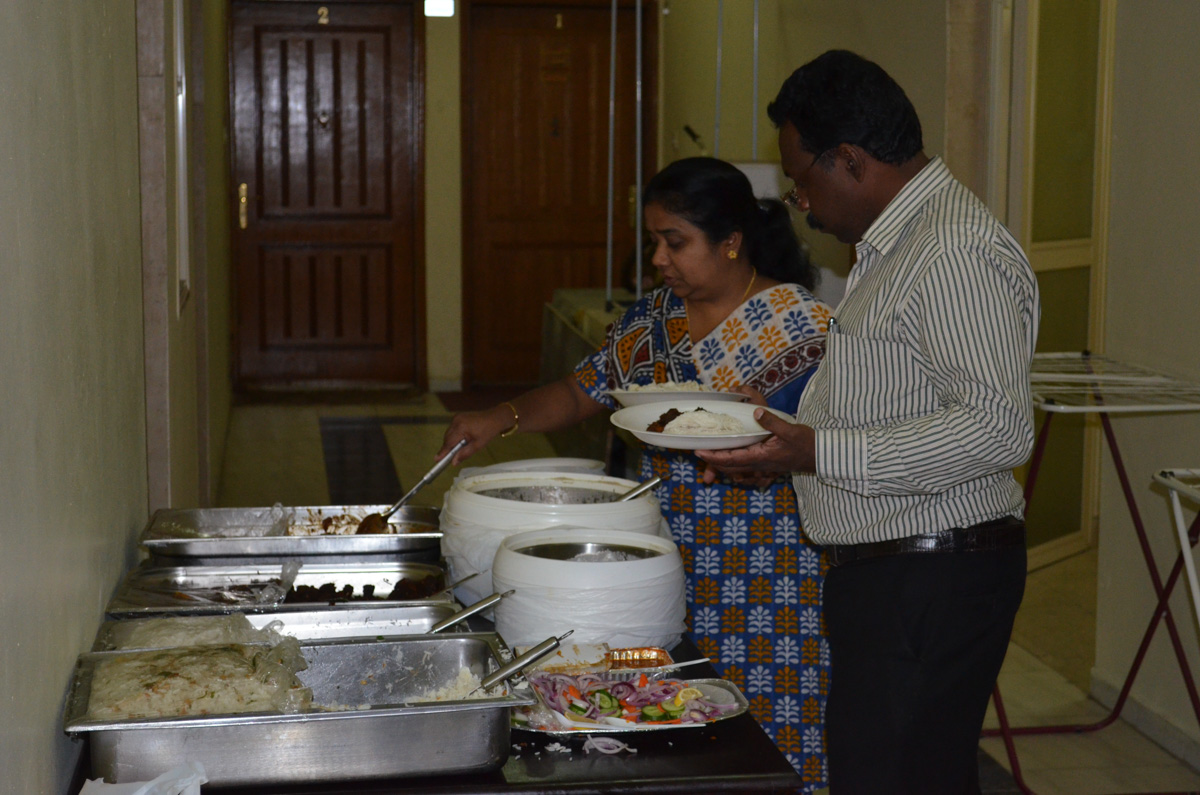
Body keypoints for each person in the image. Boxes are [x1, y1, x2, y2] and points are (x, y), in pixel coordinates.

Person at [700, 50, 1041, 794]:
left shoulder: (949, 250)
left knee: (895, 776)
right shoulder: (897, 246)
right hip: (898, 571)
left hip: (931, 574)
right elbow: (894, 401)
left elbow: (997, 427)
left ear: (850, 160)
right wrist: (786, 443)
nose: (801, 203)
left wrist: (817, 450)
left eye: (801, 180)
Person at [439, 156, 833, 790]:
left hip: (767, 567)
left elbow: (830, 444)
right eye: (654, 241)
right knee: (654, 711)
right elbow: (581, 391)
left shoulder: (801, 325)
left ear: (731, 241)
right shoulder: (652, 319)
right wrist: (502, 416)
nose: (658, 259)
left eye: (675, 242)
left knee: (765, 721)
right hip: (654, 555)